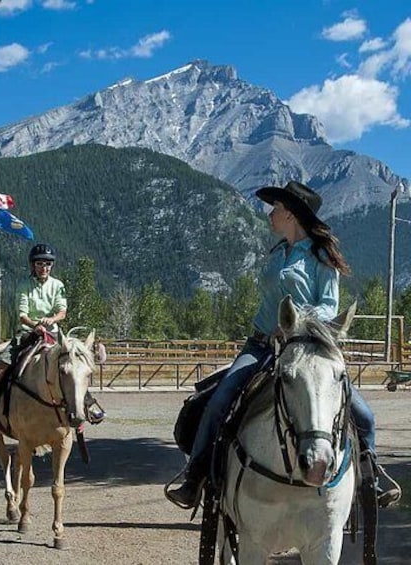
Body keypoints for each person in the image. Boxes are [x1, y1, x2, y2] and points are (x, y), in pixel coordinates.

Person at [166, 180, 401, 509]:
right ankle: (196, 476)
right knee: (220, 400)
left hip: (307, 347)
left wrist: (294, 324)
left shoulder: (322, 258)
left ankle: (370, 480)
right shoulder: (278, 253)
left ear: (290, 214)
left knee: (363, 415)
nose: (270, 214)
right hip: (261, 344)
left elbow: (329, 306)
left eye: (275, 209)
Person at [0, 243, 106, 423]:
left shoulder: (58, 285)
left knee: (74, 366)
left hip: (53, 334)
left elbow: (62, 311)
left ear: (51, 266)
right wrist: (35, 325)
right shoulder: (24, 285)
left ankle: (87, 403)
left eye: (47, 264)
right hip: (27, 333)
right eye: (39, 264)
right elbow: (22, 315)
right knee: (3, 363)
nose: (43, 268)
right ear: (33, 265)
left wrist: (52, 320)